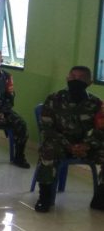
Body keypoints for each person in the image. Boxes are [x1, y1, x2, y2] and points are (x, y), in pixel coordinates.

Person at [34, 66, 104, 212]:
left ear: (90, 82)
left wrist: (86, 145)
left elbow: (101, 130)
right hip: (60, 144)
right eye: (73, 77)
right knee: (48, 151)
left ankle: (100, 198)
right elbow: (47, 129)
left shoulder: (96, 104)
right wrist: (69, 146)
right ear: (67, 78)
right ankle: (45, 197)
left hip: (85, 146)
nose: (76, 81)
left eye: (81, 78)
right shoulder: (54, 99)